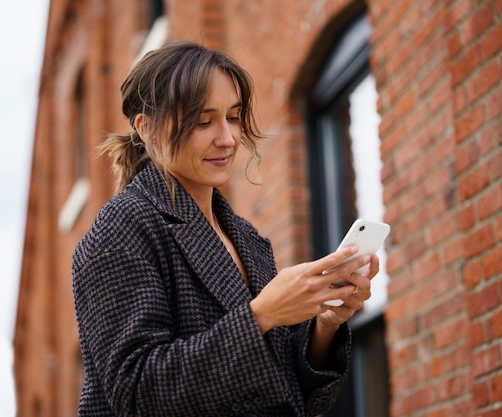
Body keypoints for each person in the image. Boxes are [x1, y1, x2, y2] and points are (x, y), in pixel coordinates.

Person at [72, 41, 379, 417]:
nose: (228, 138)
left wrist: (325, 325)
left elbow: (286, 393)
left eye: (233, 117)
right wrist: (261, 315)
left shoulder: (249, 240)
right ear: (147, 128)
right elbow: (137, 394)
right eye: (203, 121)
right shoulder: (122, 227)